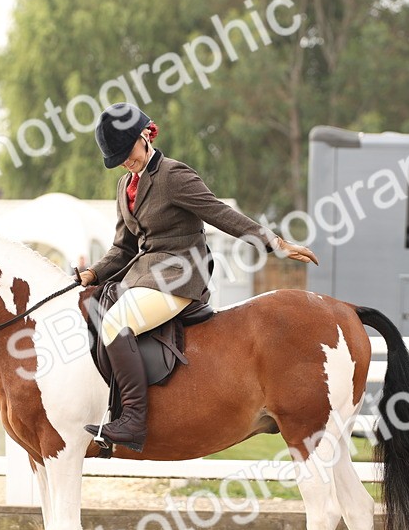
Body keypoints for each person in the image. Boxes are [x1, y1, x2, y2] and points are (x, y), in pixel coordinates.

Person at [77, 102, 316, 451]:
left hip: (180, 276)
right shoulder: (124, 186)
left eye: (127, 153)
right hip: (143, 277)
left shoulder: (173, 176)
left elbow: (221, 214)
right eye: (118, 160)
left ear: (145, 135)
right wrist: (92, 273)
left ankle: (133, 420)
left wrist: (275, 243)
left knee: (115, 323)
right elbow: (123, 248)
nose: (126, 162)